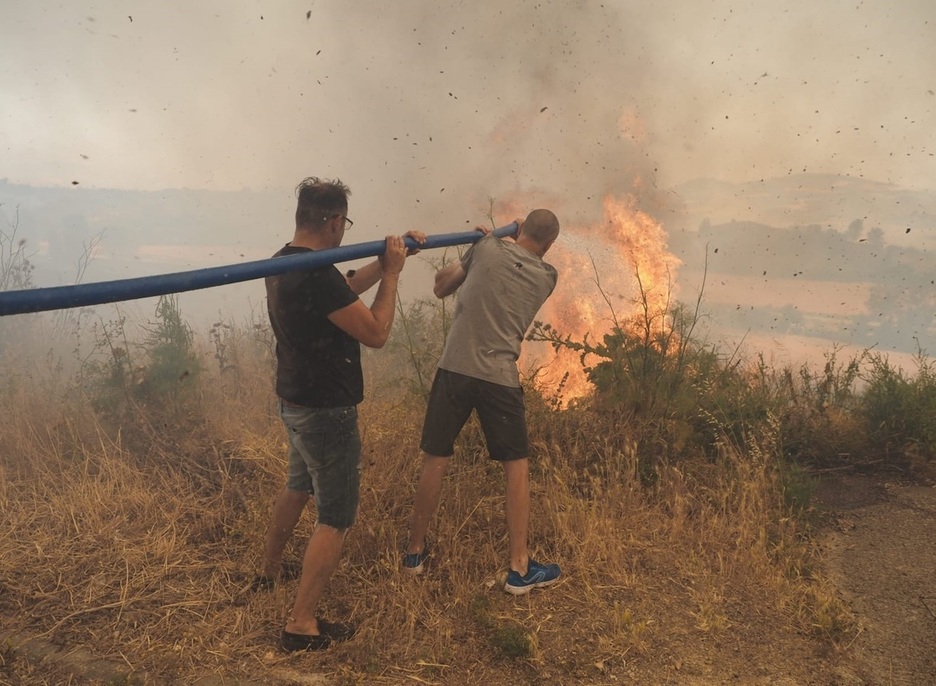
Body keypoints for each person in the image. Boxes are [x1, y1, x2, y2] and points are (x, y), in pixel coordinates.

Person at [259, 176, 425, 652]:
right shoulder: (315, 274)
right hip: (326, 411)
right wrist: (392, 276)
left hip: (294, 401)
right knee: (335, 515)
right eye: (344, 224)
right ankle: (301, 623)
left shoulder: (285, 260)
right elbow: (374, 332)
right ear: (334, 221)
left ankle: (267, 573)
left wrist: (385, 261)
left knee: (297, 485)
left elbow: (344, 288)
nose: (343, 232)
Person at [403, 208, 562, 595]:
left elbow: (441, 287)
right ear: (550, 244)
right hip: (499, 378)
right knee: (516, 467)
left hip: (454, 368)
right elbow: (521, 264)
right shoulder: (547, 276)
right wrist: (488, 244)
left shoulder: (486, 249)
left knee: (435, 457)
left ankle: (413, 554)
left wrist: (480, 244)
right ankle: (519, 569)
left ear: (519, 227)